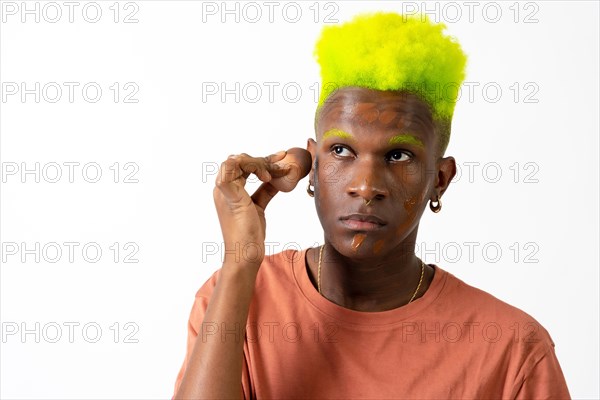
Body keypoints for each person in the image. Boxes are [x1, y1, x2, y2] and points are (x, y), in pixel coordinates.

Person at [172, 12, 571, 399]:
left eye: (399, 156)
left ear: (440, 180)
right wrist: (240, 262)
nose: (365, 186)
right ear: (313, 165)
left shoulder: (513, 350)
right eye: (342, 150)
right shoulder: (232, 300)